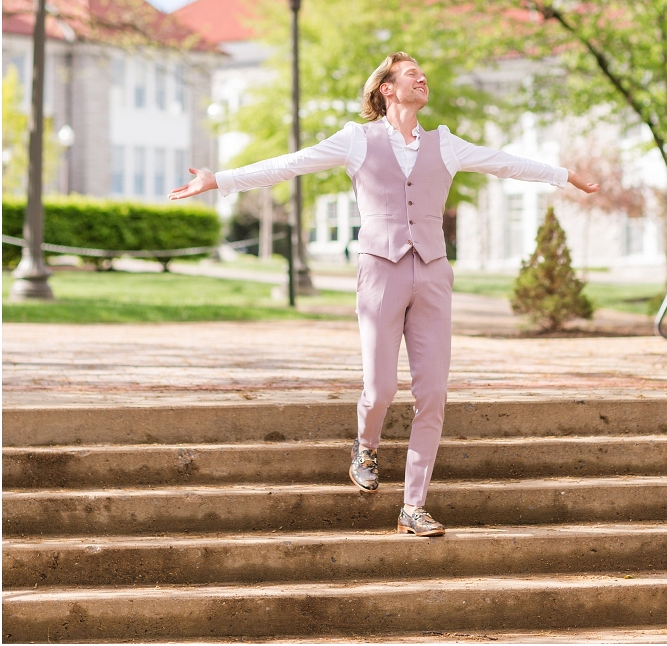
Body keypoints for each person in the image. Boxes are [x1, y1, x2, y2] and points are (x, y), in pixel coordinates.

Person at [169, 52, 599, 537]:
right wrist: (220, 180)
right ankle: (365, 446)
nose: (423, 77)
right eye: (412, 73)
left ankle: (413, 507)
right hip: (380, 270)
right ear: (387, 89)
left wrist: (564, 176)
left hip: (434, 274)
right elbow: (291, 165)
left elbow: (505, 164)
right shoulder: (357, 139)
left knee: (433, 394)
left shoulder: (447, 144)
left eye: (424, 72)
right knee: (381, 389)